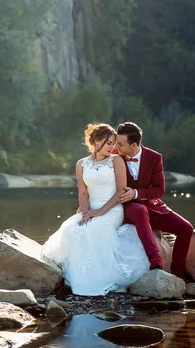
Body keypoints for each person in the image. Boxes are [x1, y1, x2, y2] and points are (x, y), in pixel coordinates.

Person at [41, 123, 149, 295]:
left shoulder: (116, 161)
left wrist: (100, 212)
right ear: (96, 142)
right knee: (73, 229)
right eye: (109, 143)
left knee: (95, 230)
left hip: (112, 209)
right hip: (90, 208)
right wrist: (85, 212)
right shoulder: (81, 164)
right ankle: (75, 277)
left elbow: (121, 191)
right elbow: (83, 192)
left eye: (114, 143)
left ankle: (95, 280)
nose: (112, 147)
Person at [116, 121, 194, 280]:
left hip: (151, 207)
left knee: (186, 229)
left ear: (134, 145)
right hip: (127, 208)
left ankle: (178, 274)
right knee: (140, 210)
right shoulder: (115, 158)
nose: (116, 147)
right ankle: (155, 259)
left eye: (120, 144)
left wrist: (136, 193)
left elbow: (159, 190)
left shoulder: (154, 158)